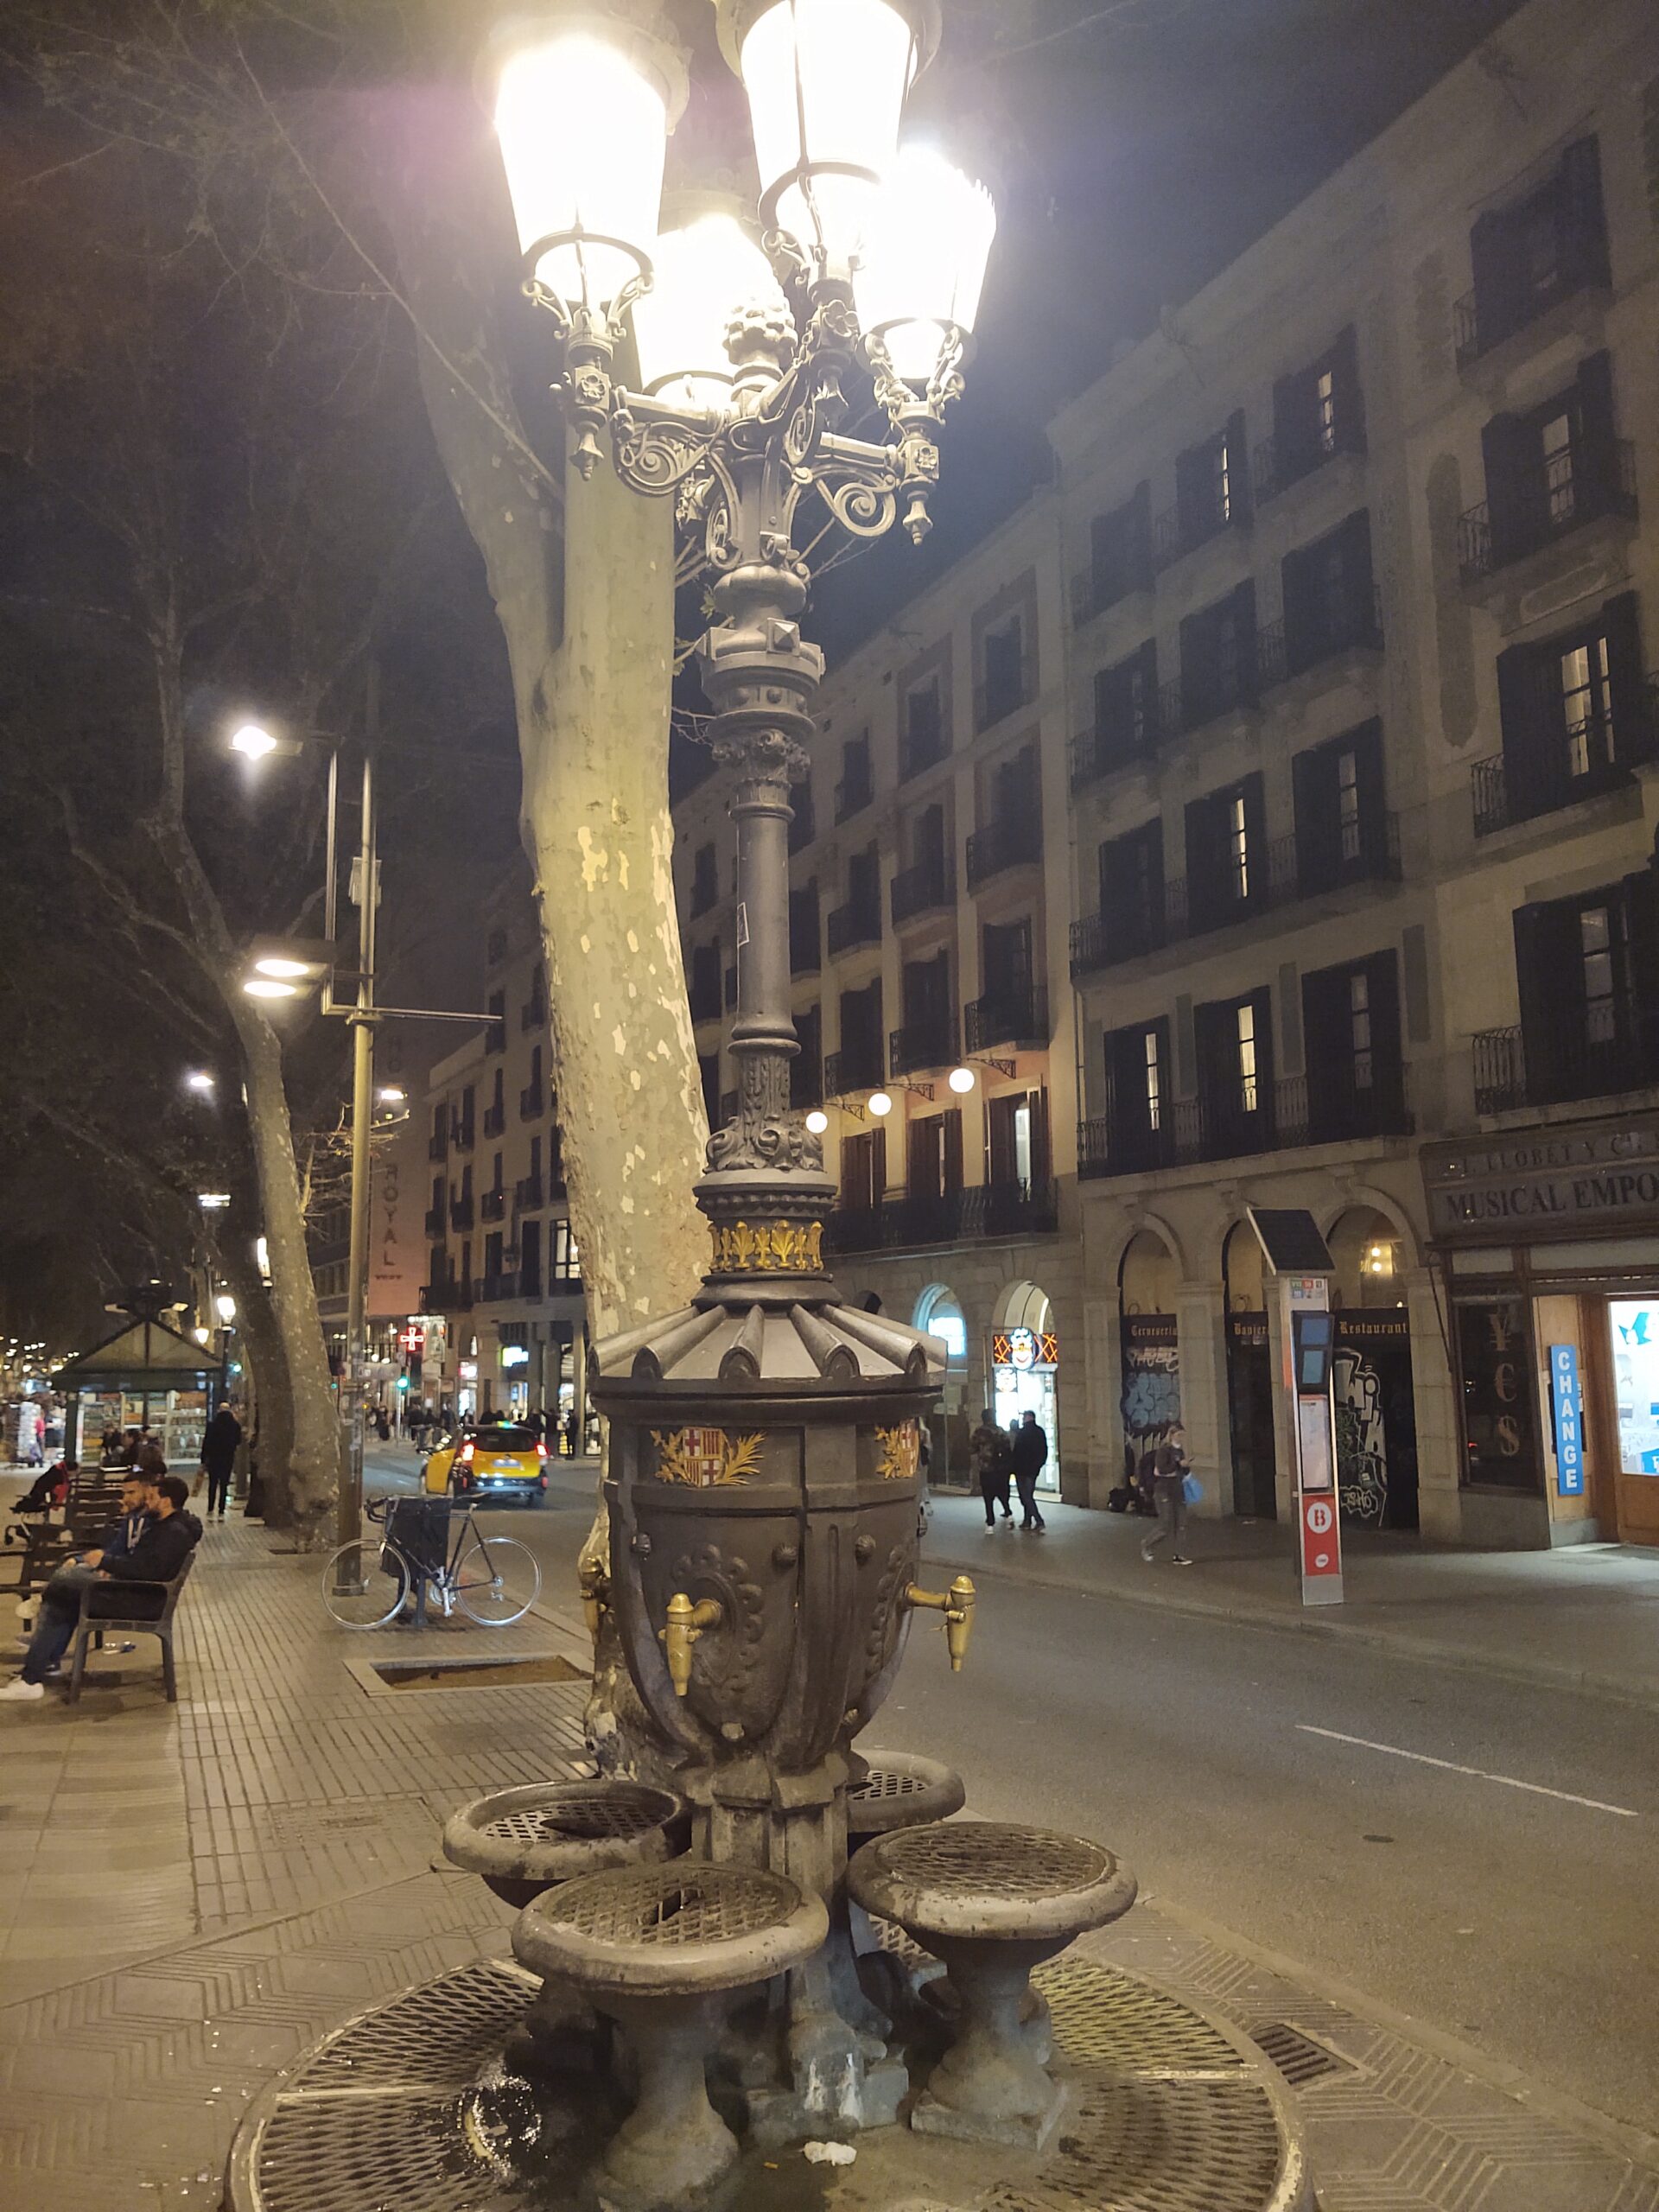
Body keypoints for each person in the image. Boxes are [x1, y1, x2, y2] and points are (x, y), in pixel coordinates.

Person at [0, 1474, 201, 1702]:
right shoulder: (167, 1526)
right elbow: (138, 1560)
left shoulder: (172, 1532)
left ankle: (34, 1674)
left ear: (166, 1501)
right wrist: (109, 1564)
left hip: (139, 1600)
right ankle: (37, 1671)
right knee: (61, 1597)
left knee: (63, 1583)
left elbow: (147, 1570)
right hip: (135, 1592)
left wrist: (106, 1562)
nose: (148, 1502)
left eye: (153, 1497)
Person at [1141, 1425, 1194, 1567]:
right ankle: (1148, 1544)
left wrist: (1186, 1466)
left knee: (1182, 1523)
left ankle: (1179, 1554)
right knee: (1165, 1523)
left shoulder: (1180, 1451)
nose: (1181, 1439)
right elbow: (1162, 1469)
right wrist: (1178, 1464)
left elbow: (1182, 1471)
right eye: (1179, 1435)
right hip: (1164, 1490)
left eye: (1183, 1436)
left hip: (1178, 1489)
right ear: (1171, 1435)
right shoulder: (1163, 1451)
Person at [969, 1408, 1014, 1529]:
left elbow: (972, 1448)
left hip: (986, 1467)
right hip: (1000, 1468)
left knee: (988, 1495)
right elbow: (1008, 1447)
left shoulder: (979, 1432)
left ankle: (990, 1522)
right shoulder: (1000, 1431)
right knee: (1002, 1493)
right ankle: (1008, 1514)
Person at [198, 1402, 242, 1522]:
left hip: (213, 1459)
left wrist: (203, 1459)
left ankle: (210, 1508)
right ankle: (221, 1509)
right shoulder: (235, 1425)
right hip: (227, 1458)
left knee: (212, 1484)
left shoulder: (212, 1425)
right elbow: (238, 1441)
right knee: (224, 1484)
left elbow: (206, 1443)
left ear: (219, 1411)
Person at [1010, 1410, 1049, 1531]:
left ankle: (1038, 1520)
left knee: (1025, 1496)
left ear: (1028, 1417)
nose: (1022, 1419)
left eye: (1023, 1417)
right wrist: (1039, 1464)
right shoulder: (1039, 1432)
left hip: (1022, 1469)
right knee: (1028, 1495)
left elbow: (1016, 1451)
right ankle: (1027, 1520)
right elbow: (1044, 1450)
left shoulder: (1022, 1433)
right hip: (1033, 1470)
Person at [10, 1455, 75, 1516]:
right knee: (37, 1496)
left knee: (36, 1495)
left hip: (39, 1492)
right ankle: (25, 1505)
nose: (73, 1476)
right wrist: (55, 1503)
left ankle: (23, 1506)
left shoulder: (57, 1471)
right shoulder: (61, 1476)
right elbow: (58, 1490)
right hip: (41, 1493)